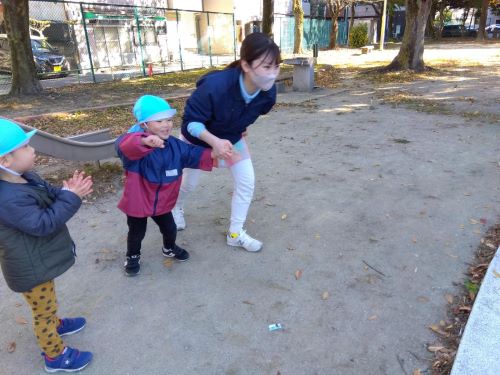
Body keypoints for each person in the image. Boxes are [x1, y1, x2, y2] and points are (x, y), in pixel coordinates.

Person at [172, 32, 281, 252]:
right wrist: (214, 142)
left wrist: (239, 128)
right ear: (246, 65)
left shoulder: (268, 94)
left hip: (232, 139)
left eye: (276, 67)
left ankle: (235, 234)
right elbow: (190, 123)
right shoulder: (215, 87)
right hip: (197, 139)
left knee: (247, 181)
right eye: (266, 67)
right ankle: (176, 207)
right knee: (189, 184)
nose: (272, 74)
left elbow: (249, 112)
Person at [0, 119, 94, 373]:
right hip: (29, 267)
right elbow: (43, 223)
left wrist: (67, 191)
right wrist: (71, 198)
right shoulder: (7, 198)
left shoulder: (23, 176)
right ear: (6, 161)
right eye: (26, 147)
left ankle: (54, 322)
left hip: (36, 260)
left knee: (47, 303)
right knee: (43, 310)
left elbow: (48, 191)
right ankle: (54, 356)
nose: (33, 151)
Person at [115, 95, 214, 276]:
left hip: (162, 201)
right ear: (144, 124)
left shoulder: (174, 145)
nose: (166, 124)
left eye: (169, 119)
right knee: (137, 232)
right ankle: (133, 256)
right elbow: (123, 146)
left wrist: (215, 154)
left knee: (170, 228)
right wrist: (144, 141)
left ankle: (169, 248)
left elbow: (193, 153)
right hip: (138, 201)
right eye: (159, 120)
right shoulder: (134, 143)